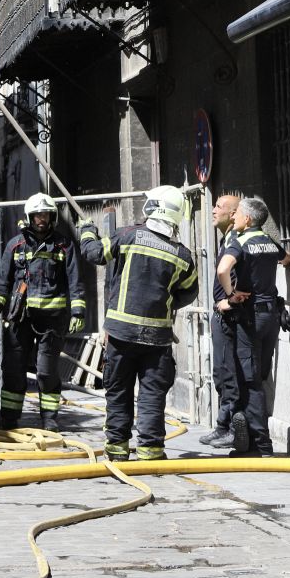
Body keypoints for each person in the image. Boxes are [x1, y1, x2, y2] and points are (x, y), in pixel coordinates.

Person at [80, 185, 199, 460]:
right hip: (157, 339)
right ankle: (151, 449)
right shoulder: (182, 255)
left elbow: (94, 254)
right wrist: (166, 303)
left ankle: (118, 449)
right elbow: (189, 292)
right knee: (152, 395)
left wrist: (87, 230)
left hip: (121, 335)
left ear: (153, 208)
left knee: (118, 391)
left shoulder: (128, 236)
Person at [0, 192, 85, 432]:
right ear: (30, 217)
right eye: (37, 215)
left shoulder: (64, 245)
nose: (41, 219)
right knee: (13, 368)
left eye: (46, 215)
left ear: (52, 217)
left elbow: (75, 280)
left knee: (46, 370)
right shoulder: (15, 245)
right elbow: (3, 282)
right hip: (20, 319)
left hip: (53, 321)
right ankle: (8, 419)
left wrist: (78, 312)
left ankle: (49, 419)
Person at [215, 195, 290, 456]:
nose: (234, 217)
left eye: (238, 214)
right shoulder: (270, 242)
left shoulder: (241, 241)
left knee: (249, 380)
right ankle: (250, 435)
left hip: (250, 317)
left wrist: (231, 295)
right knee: (258, 375)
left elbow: (223, 269)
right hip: (272, 317)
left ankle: (262, 444)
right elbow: (288, 258)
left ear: (247, 219)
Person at [199, 191, 243, 448]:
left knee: (228, 374)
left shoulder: (236, 241)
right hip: (221, 316)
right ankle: (222, 425)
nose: (214, 210)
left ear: (234, 213)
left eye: (219, 206)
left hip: (230, 317)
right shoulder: (226, 239)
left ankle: (230, 428)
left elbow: (241, 278)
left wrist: (230, 299)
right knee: (220, 373)